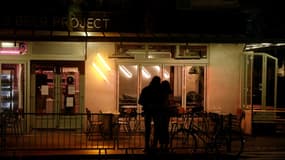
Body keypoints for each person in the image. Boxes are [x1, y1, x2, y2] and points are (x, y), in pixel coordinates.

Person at [138, 76, 162, 153]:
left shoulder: (145, 90)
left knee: (147, 129)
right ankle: (154, 145)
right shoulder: (159, 91)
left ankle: (146, 146)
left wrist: (147, 104)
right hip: (157, 111)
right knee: (157, 128)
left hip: (147, 111)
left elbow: (140, 101)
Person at [158, 80, 172, 152]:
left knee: (161, 129)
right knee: (165, 129)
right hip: (166, 114)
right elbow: (168, 104)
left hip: (161, 113)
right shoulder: (168, 94)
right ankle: (166, 145)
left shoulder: (160, 93)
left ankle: (161, 145)